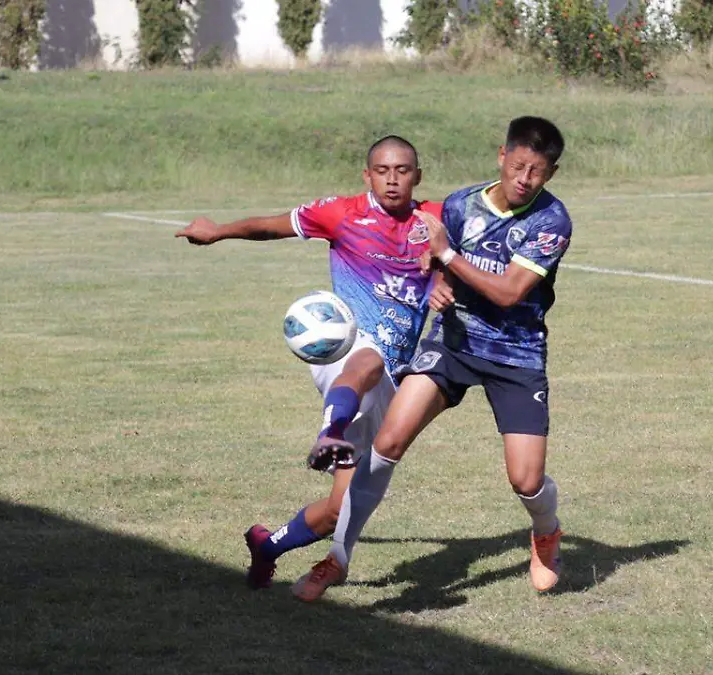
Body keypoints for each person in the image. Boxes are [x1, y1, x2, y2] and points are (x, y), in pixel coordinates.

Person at [291, 116, 572, 602]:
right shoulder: (462, 205)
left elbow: (507, 293)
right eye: (519, 165)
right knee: (388, 440)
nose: (525, 179)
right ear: (501, 156)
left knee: (525, 481)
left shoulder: (552, 221)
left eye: (538, 171)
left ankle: (546, 532)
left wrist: (447, 255)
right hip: (453, 343)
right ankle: (336, 559)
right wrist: (439, 274)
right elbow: (434, 263)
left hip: (515, 354)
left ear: (552, 173)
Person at [174, 136, 442, 589]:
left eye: (402, 170)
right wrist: (218, 231)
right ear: (367, 175)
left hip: (395, 372)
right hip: (340, 347)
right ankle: (328, 432)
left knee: (341, 507)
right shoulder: (342, 213)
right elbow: (271, 226)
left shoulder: (436, 218)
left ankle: (267, 544)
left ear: (418, 175)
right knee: (367, 360)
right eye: (382, 170)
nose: (392, 179)